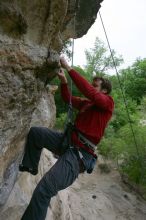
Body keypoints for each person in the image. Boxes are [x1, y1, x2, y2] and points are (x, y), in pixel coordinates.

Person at [19, 57, 114, 220]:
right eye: (92, 84)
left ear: (104, 90)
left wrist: (69, 69)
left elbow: (90, 93)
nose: (92, 87)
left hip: (78, 155)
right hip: (68, 142)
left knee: (44, 190)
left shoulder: (107, 103)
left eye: (95, 85)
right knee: (36, 133)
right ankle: (31, 166)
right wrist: (63, 81)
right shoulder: (87, 104)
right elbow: (67, 98)